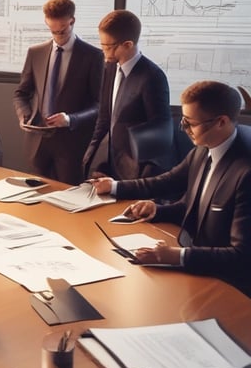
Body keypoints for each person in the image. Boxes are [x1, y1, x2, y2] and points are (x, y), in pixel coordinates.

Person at [92, 81, 251, 297]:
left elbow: (241, 256)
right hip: (197, 268)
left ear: (221, 122)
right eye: (183, 121)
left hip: (230, 287)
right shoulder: (205, 147)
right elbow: (183, 195)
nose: (184, 129)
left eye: (190, 123)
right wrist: (157, 209)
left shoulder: (245, 171)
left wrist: (177, 256)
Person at [13, 0, 103, 184]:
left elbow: (99, 104)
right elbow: (21, 93)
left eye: (62, 31)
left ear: (72, 21)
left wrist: (70, 119)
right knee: (33, 196)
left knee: (68, 196)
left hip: (71, 144)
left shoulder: (93, 56)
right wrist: (24, 115)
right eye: (52, 31)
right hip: (37, 139)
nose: (57, 36)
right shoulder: (35, 52)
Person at [83, 9, 173, 180]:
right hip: (109, 167)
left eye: (108, 47)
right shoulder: (109, 67)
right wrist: (91, 159)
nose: (103, 51)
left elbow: (159, 130)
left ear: (128, 45)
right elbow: (104, 118)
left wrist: (144, 181)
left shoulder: (152, 77)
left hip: (136, 173)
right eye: (102, 45)